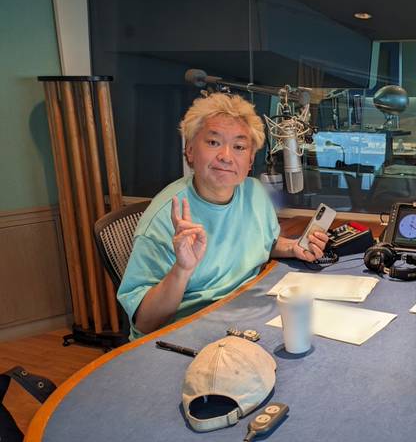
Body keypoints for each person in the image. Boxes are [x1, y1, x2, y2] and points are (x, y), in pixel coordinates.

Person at [118, 93, 328, 340]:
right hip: (186, 332)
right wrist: (182, 269)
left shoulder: (254, 192)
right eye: (213, 142)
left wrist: (293, 247)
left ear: (250, 160)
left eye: (239, 147)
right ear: (190, 150)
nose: (226, 156)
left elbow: (264, 243)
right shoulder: (165, 218)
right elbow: (145, 323)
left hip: (244, 314)